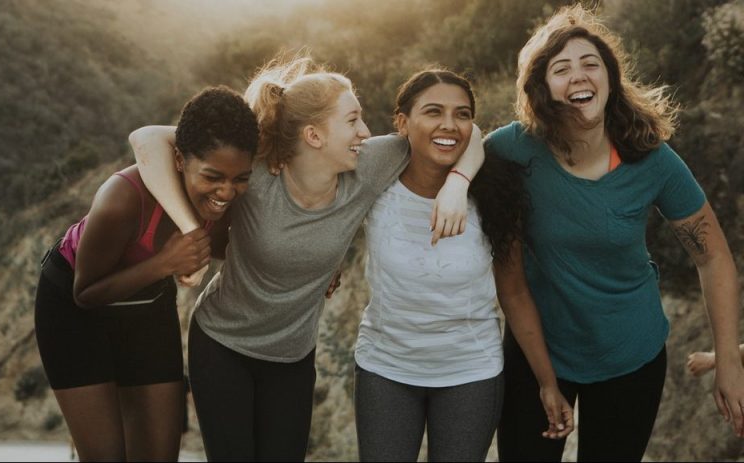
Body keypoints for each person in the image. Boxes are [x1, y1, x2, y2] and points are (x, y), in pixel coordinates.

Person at [128, 55, 483, 461]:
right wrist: (191, 229)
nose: (365, 132)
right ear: (314, 135)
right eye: (352, 121)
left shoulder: (369, 165)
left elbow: (463, 134)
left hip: (292, 357)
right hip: (223, 344)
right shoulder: (256, 171)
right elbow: (146, 139)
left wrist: (457, 184)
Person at [487, 5, 744, 461]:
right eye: (561, 69)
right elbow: (458, 147)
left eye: (591, 64)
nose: (579, 76)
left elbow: (713, 256)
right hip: (538, 351)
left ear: (610, 77)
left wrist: (728, 361)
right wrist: (453, 187)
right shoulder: (515, 147)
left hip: (631, 355)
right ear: (542, 88)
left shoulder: (652, 159)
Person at [353, 68, 573, 462]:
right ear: (402, 122)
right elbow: (324, 210)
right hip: (385, 367)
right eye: (433, 112)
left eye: (462, 114)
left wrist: (547, 382)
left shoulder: (495, 195)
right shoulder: (375, 180)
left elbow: (515, 292)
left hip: (470, 373)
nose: (449, 125)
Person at [33, 86, 258, 461]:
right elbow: (85, 293)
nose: (226, 191)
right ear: (181, 161)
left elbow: (236, 247)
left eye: (240, 179)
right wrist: (164, 264)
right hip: (73, 312)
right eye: (214, 176)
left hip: (147, 306)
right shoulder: (122, 198)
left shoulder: (224, 200)